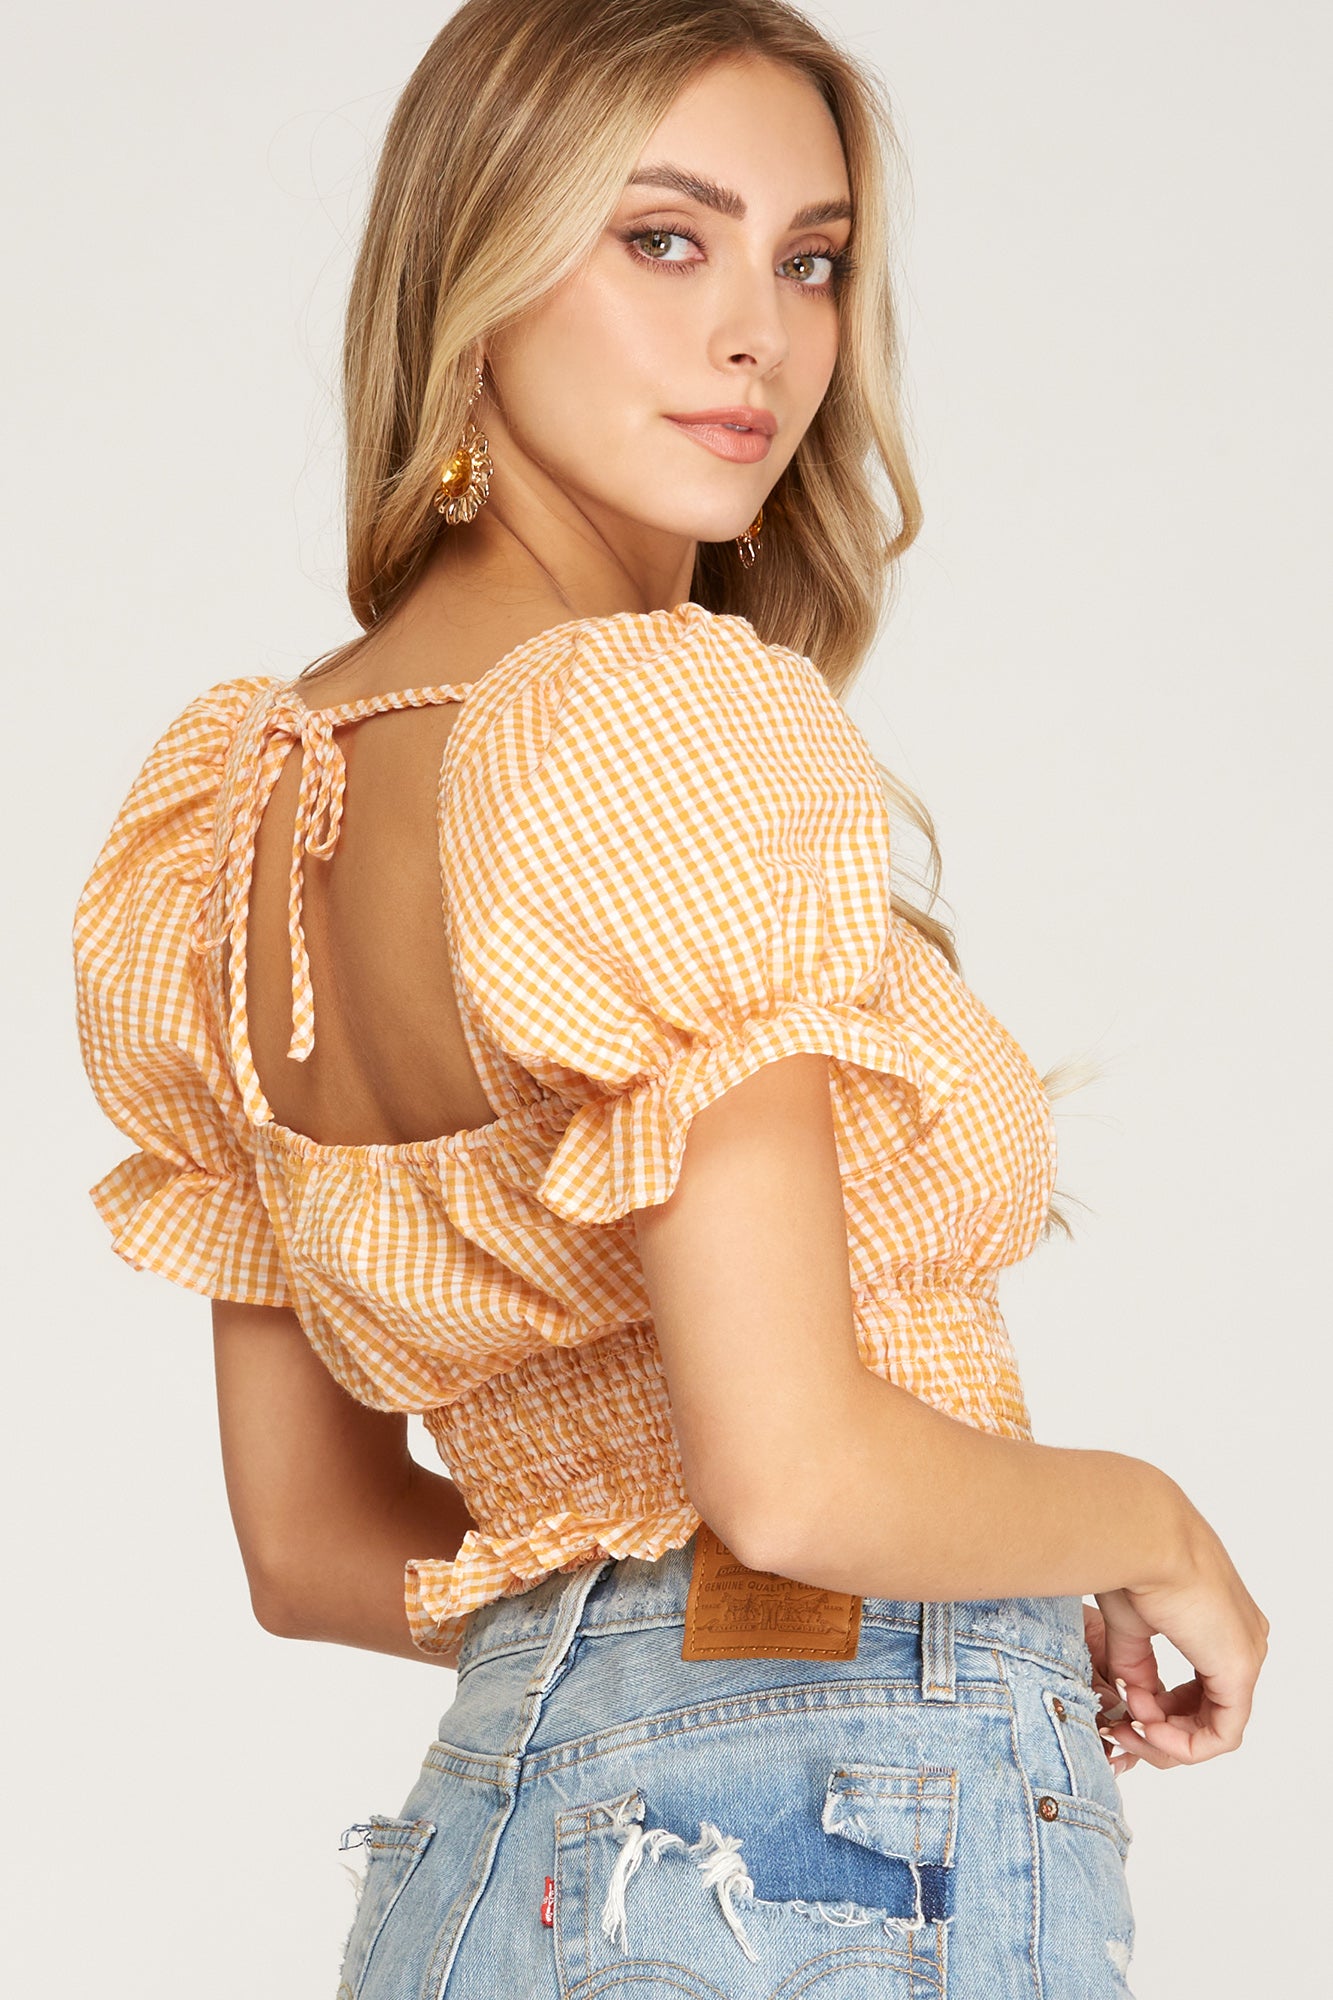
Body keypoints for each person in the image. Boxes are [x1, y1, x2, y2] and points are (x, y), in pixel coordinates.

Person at [72, 1, 1268, 1993]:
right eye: (662, 238)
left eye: (810, 259)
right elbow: (791, 1475)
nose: (758, 337)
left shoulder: (238, 818)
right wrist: (1151, 1527)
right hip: (832, 1846)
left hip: (489, 1845)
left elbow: (309, 1545)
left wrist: (746, 1624)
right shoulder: (658, 721)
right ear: (474, 264)